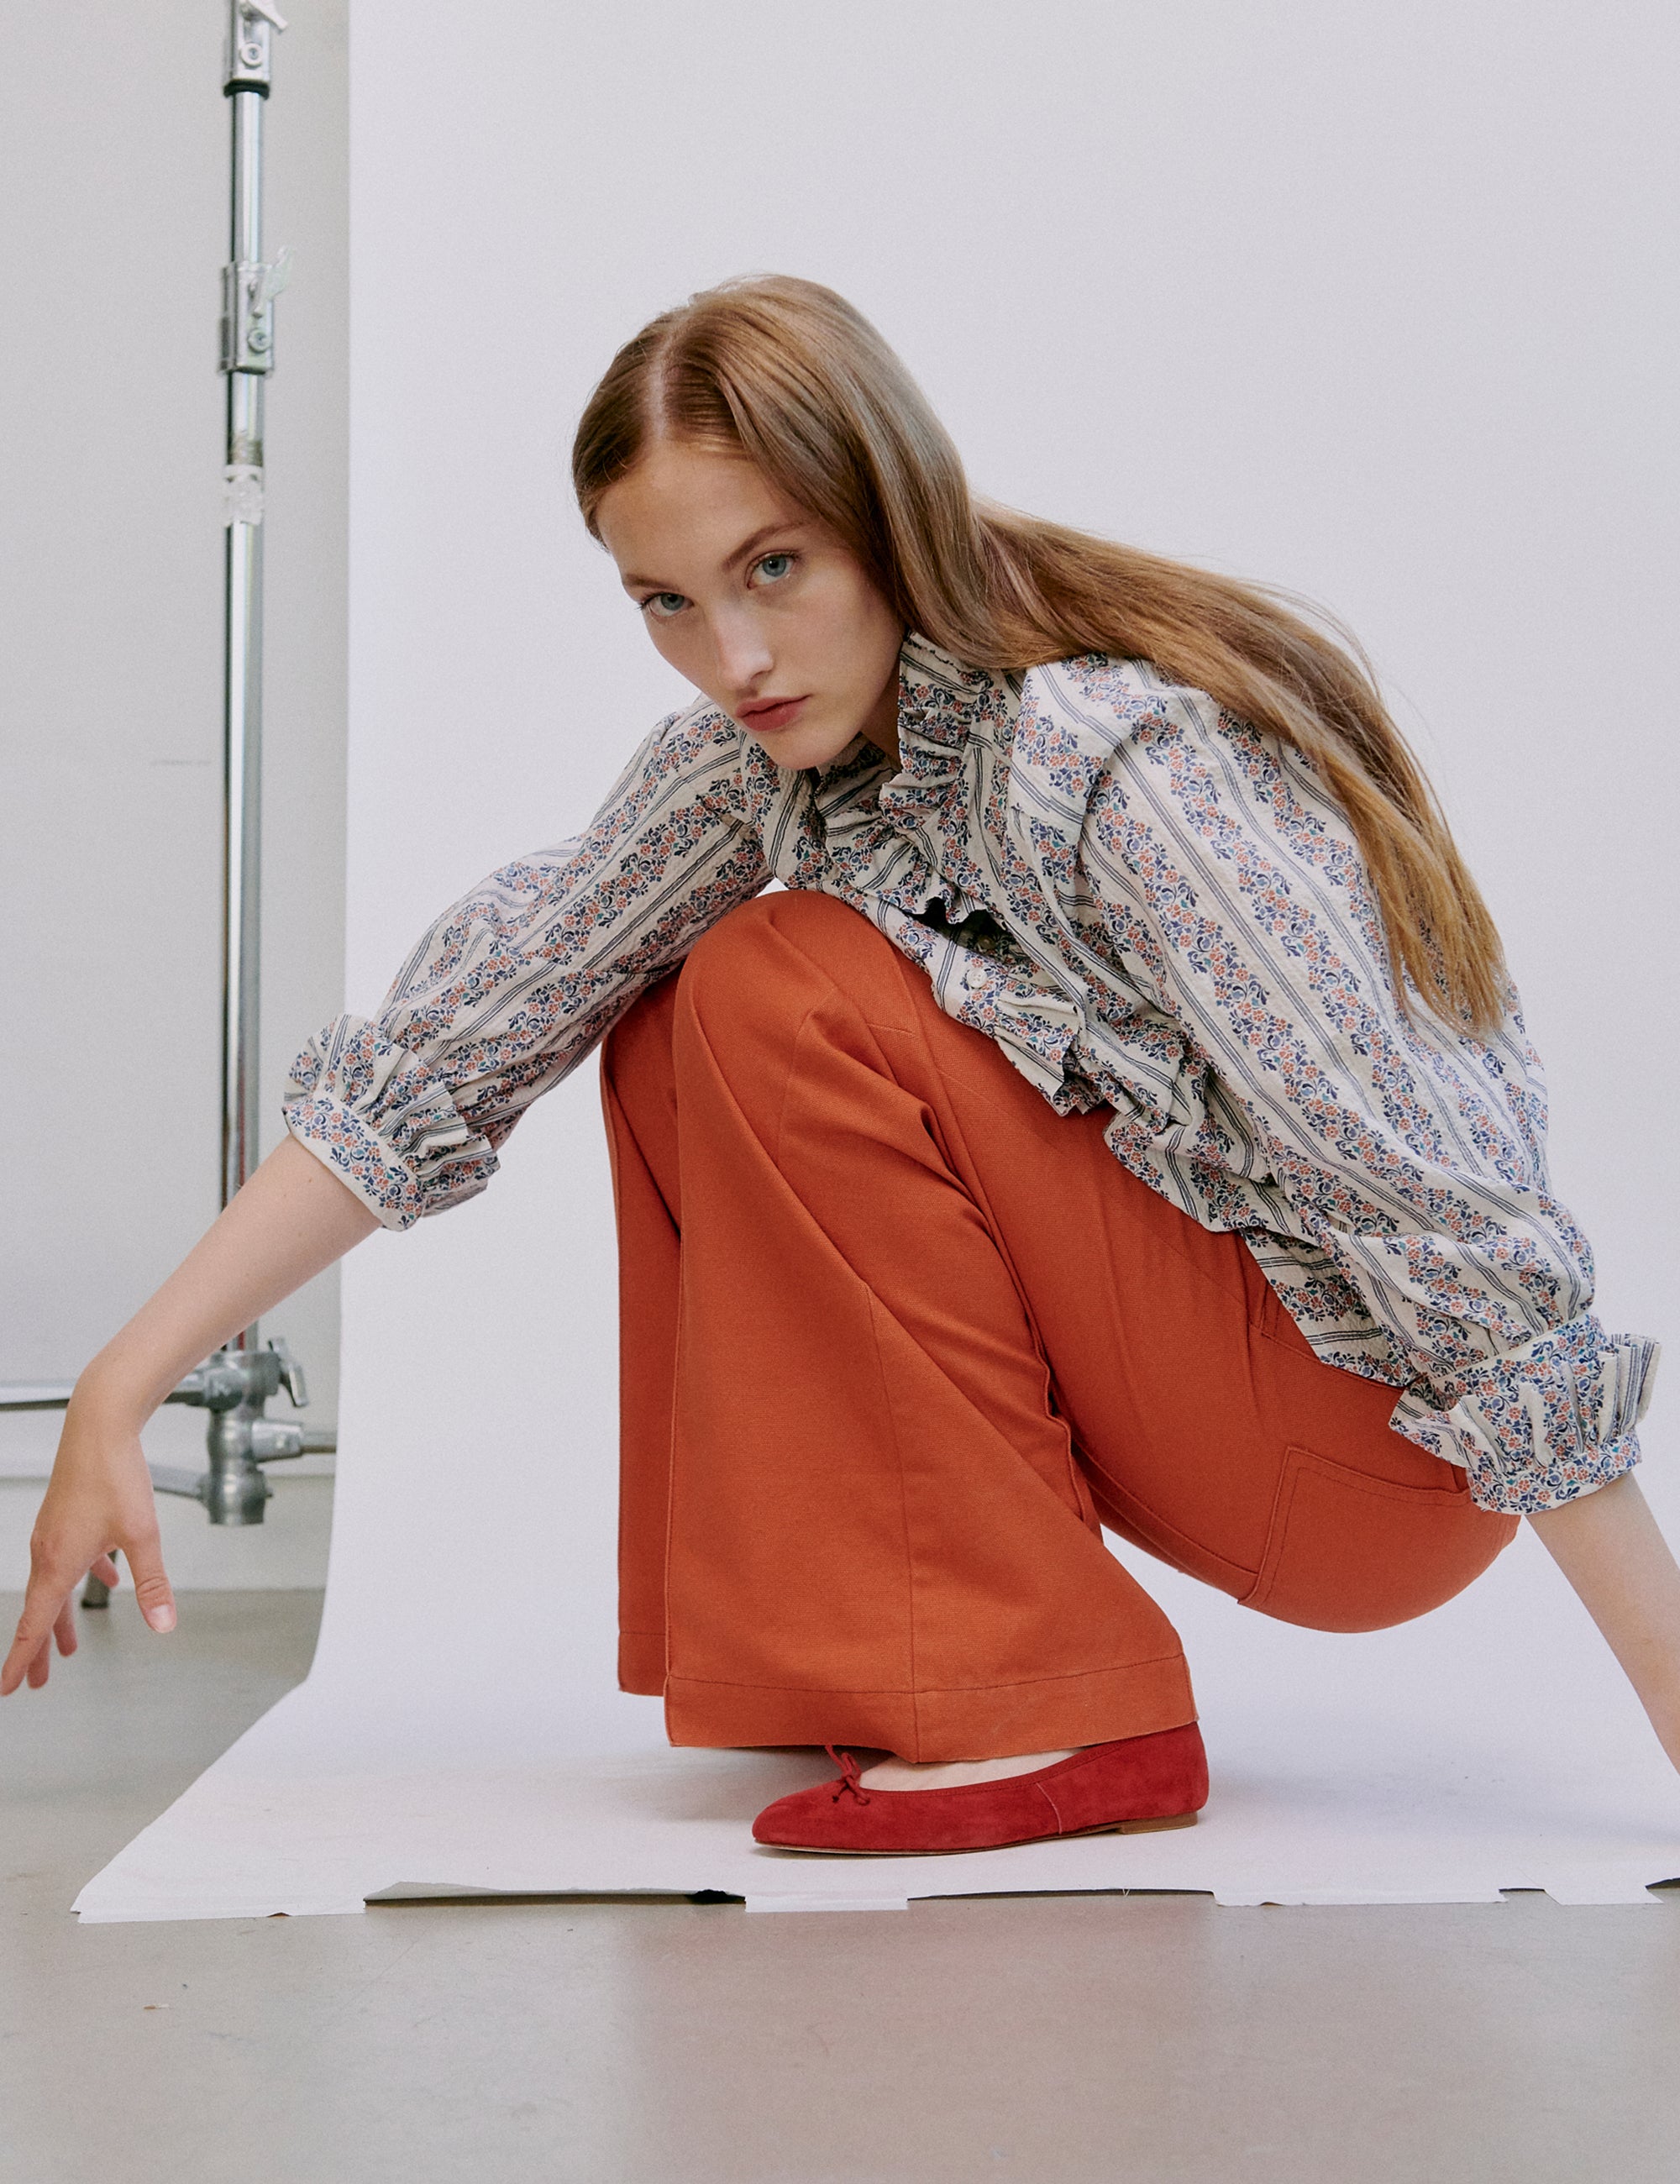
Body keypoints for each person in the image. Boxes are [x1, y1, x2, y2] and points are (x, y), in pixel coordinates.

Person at [6, 276, 1671, 1859]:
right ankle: (891, 1650)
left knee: (776, 982)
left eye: (774, 568)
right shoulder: (750, 772)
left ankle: (1046, 1706)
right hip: (1234, 1417)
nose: (733, 656)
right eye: (666, 600)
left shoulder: (1108, 758)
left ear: (889, 514)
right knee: (662, 1024)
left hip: (1377, 1448)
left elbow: (1421, 1189)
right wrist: (124, 1379)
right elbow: (459, 1042)